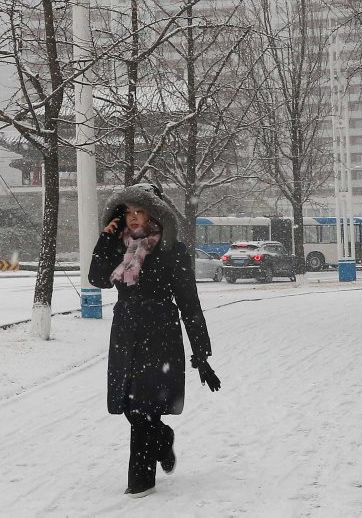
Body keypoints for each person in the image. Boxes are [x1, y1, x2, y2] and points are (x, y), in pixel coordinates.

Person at [89, 183, 221, 498]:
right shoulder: (119, 247)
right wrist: (106, 236)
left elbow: (189, 302)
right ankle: (162, 437)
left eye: (140, 211)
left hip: (160, 333)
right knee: (129, 406)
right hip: (125, 333)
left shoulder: (172, 250)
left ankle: (140, 481)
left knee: (143, 408)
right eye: (128, 213)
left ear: (154, 213)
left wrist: (201, 355)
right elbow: (96, 277)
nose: (134, 218)